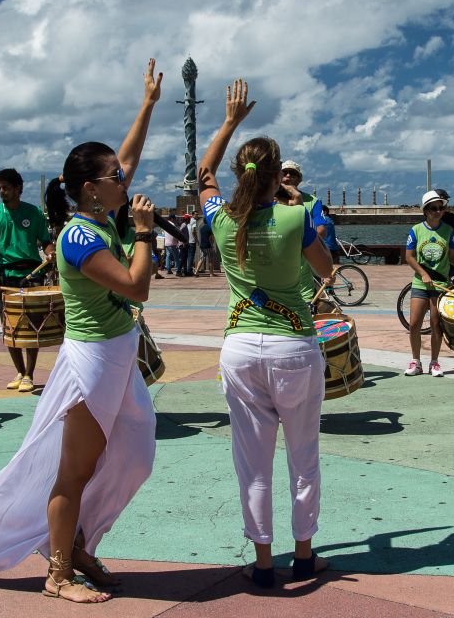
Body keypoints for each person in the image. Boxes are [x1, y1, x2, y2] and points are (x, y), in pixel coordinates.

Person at [0, 57, 163, 604]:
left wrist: (148, 105)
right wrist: (143, 232)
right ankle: (59, 573)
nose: (126, 180)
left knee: (135, 456)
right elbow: (137, 287)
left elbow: (129, 156)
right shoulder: (78, 238)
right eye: (115, 177)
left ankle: (83, 541)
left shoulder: (98, 215)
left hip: (118, 353)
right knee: (73, 471)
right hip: (93, 365)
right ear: (93, 189)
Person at [197, 79, 334, 589]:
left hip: (240, 348)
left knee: (252, 463)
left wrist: (229, 120)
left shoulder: (223, 218)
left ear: (241, 174)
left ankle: (261, 562)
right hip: (293, 345)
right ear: (279, 176)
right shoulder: (297, 215)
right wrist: (295, 209)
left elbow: (203, 175)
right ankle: (303, 556)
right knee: (304, 455)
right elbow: (325, 269)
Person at [0, 168, 54, 393]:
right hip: (7, 277)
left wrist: (50, 252)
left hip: (32, 275)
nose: (2, 192)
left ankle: (30, 372)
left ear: (18, 188)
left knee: (33, 326)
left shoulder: (34, 212)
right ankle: (19, 370)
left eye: (6, 188)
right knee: (10, 328)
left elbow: (45, 241)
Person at [405, 190, 454, 377]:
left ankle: (434, 362)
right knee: (414, 324)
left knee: (436, 324)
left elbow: (452, 257)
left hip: (440, 284)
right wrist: (422, 273)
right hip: (421, 284)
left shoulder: (448, 231)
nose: (437, 211)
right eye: (433, 208)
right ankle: (416, 360)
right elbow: (409, 257)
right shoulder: (416, 230)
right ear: (426, 211)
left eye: (441, 208)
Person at [279, 160, 326, 305]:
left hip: (304, 269)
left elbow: (322, 230)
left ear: (299, 179)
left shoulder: (313, 201)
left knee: (307, 305)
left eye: (293, 173)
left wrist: (302, 244)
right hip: (276, 266)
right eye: (284, 172)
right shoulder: (268, 199)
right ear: (277, 176)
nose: (288, 176)